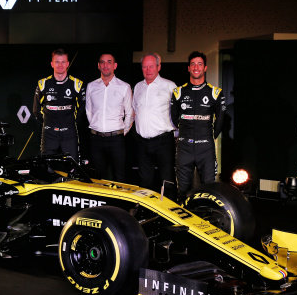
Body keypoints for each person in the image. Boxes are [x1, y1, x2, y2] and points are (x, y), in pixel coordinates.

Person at [171, 51, 225, 199]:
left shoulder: (215, 92)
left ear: (205, 68)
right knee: (183, 191)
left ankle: (206, 220)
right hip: (184, 148)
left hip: (205, 149)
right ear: (188, 68)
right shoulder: (178, 92)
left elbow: (220, 121)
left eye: (200, 64)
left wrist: (209, 137)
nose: (196, 67)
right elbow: (174, 118)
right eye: (193, 64)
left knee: (208, 190)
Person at [132, 53, 177, 195]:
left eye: (151, 66)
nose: (148, 69)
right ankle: (146, 214)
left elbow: (178, 112)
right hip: (142, 142)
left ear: (159, 67)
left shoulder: (169, 86)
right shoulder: (138, 87)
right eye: (144, 66)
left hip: (163, 141)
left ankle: (169, 212)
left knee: (166, 179)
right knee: (145, 180)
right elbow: (134, 111)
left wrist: (177, 135)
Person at [85, 53, 134, 182]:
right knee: (97, 178)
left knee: (119, 177)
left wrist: (121, 132)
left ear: (115, 66)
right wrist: (98, 127)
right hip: (96, 139)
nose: (105, 65)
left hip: (116, 140)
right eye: (102, 62)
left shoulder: (124, 87)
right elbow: (89, 111)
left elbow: (129, 113)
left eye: (109, 62)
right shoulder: (91, 86)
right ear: (98, 66)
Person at [32, 48, 85, 162]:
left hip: (69, 134)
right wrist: (49, 124)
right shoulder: (43, 84)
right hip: (49, 134)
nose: (60, 65)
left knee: (72, 169)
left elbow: (82, 110)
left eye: (63, 62)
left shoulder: (77, 84)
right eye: (57, 62)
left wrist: (69, 123)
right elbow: (36, 111)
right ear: (52, 64)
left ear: (67, 64)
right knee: (48, 169)